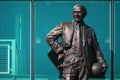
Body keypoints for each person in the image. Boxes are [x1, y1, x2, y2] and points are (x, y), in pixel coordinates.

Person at [46, 4, 107, 80]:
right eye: (75, 12)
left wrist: (102, 62)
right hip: (69, 62)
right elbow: (49, 37)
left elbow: (96, 49)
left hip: (84, 64)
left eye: (79, 12)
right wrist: (60, 49)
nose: (76, 14)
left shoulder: (90, 31)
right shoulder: (64, 26)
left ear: (84, 14)